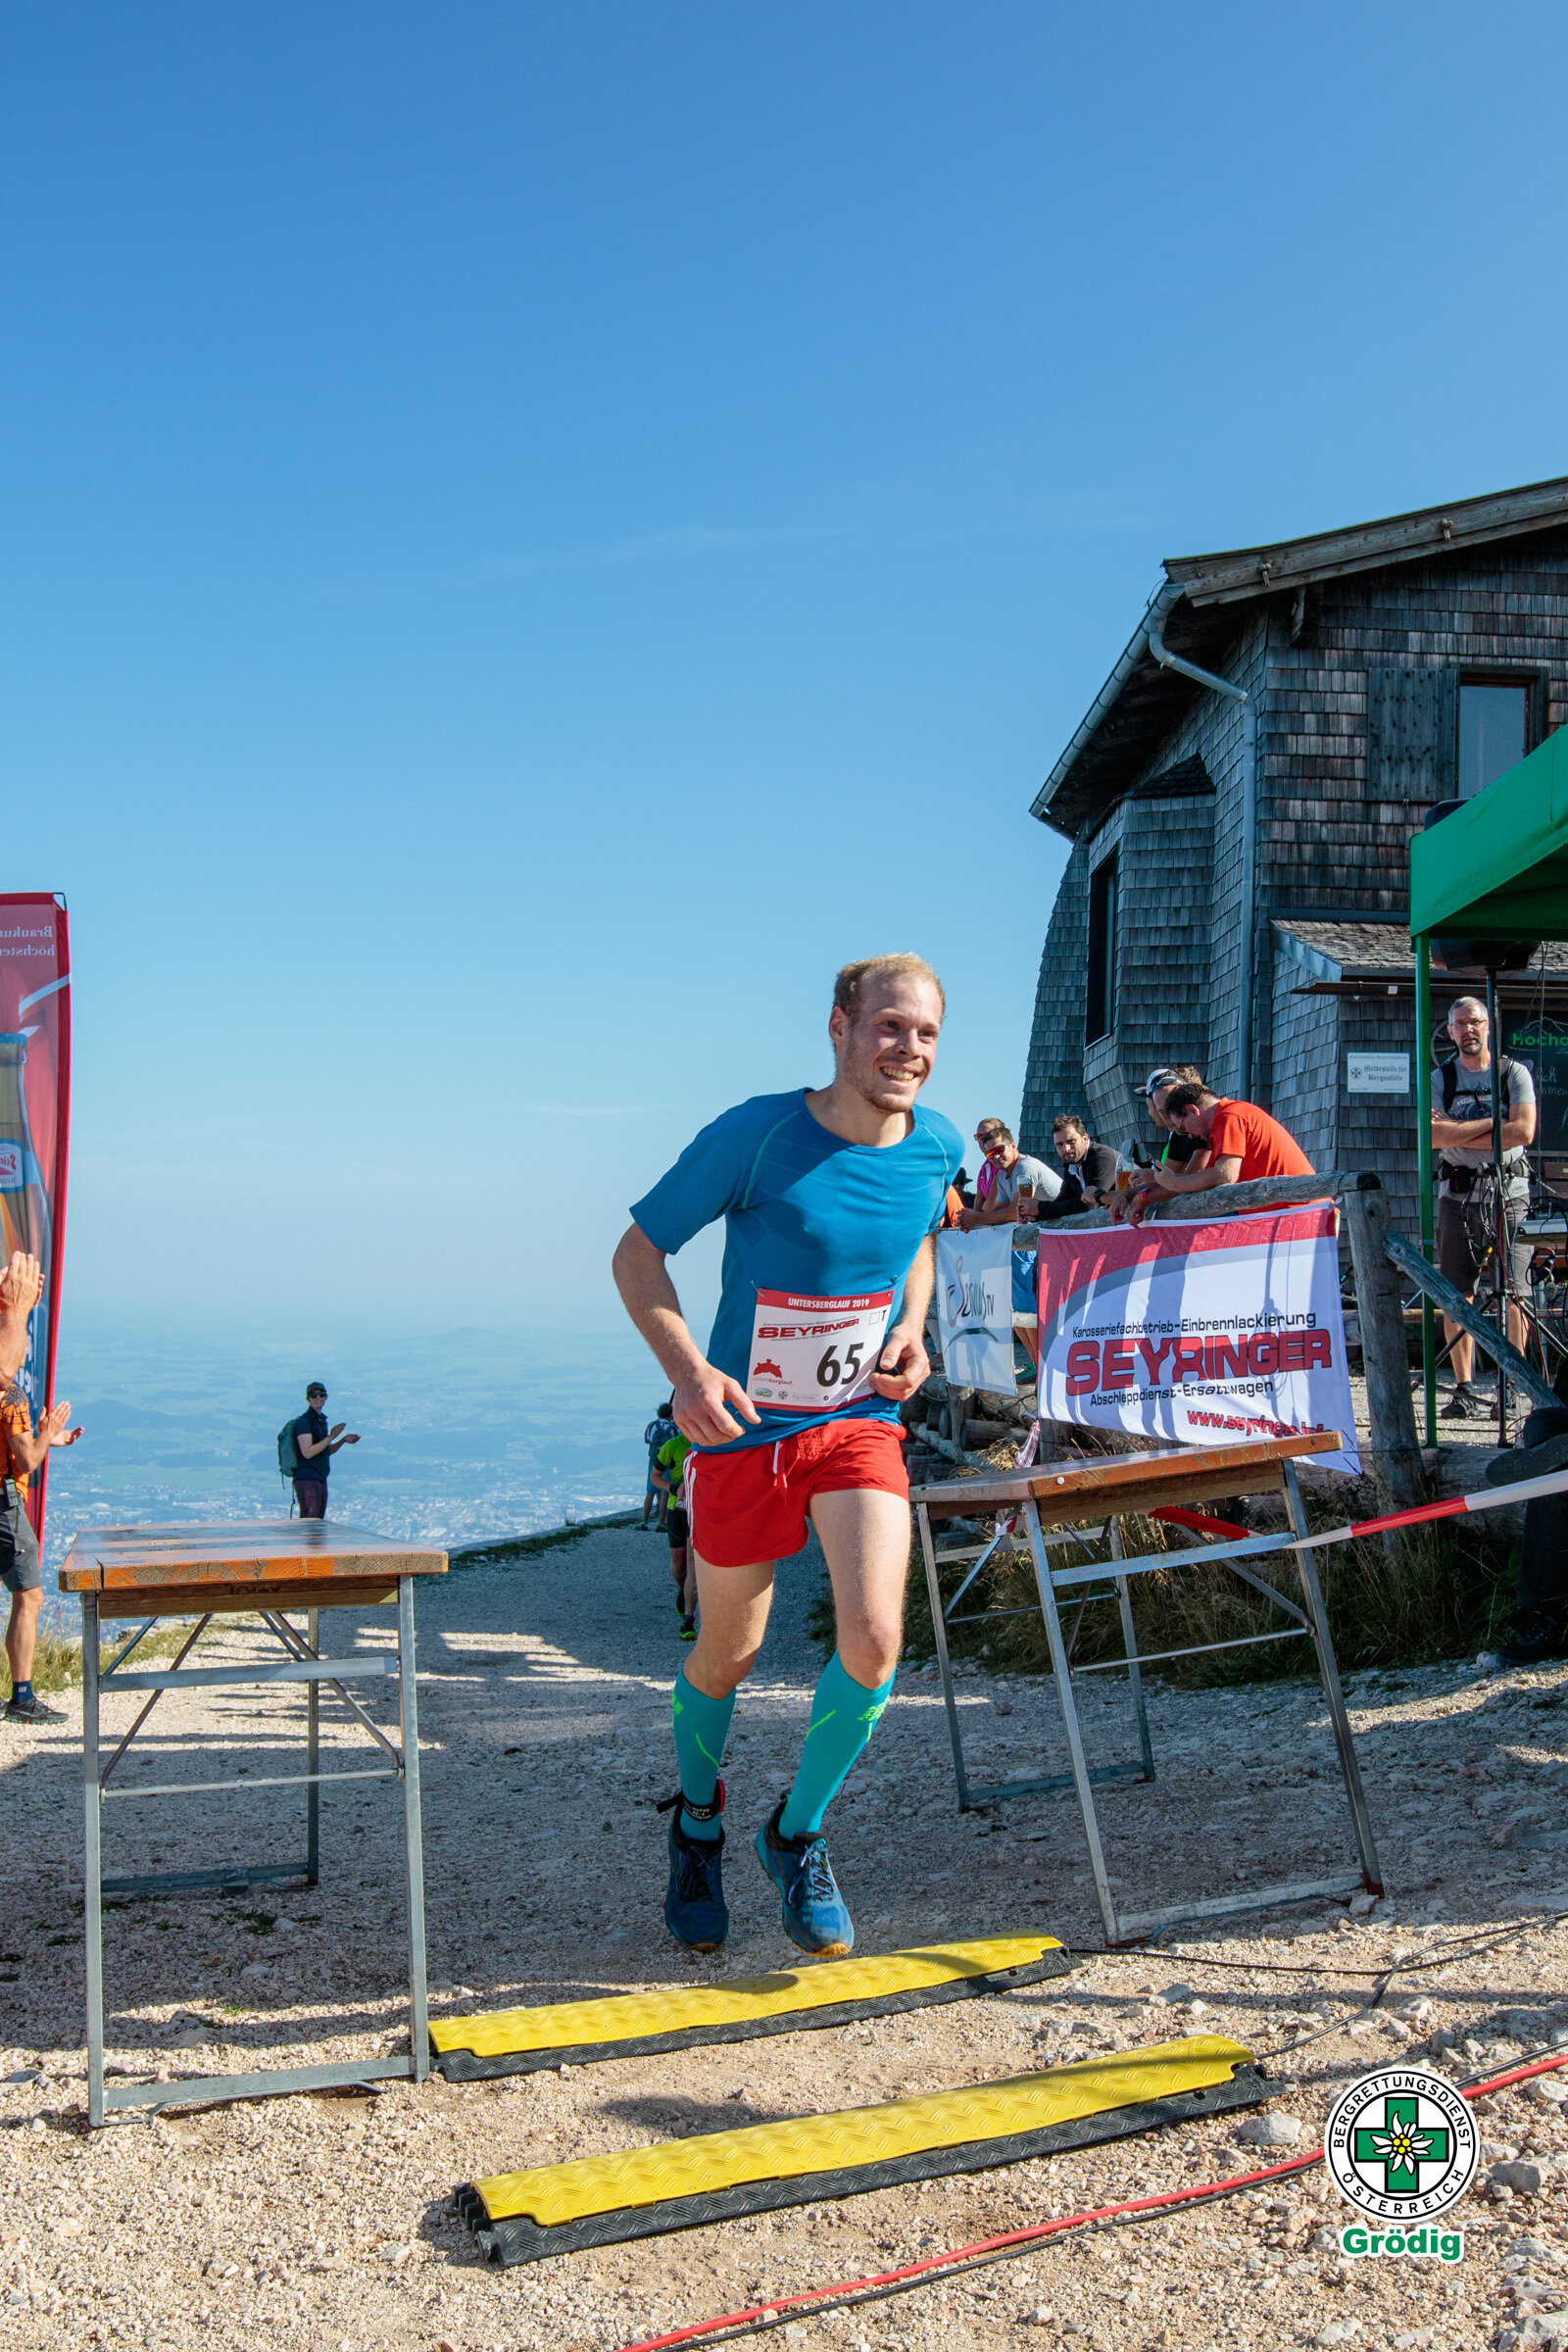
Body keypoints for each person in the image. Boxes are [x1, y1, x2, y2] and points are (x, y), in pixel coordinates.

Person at [612, 952, 961, 1958]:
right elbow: (637, 1255)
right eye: (890, 1026)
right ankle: (697, 1825)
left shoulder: (933, 1145)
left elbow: (920, 1243)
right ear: (840, 1027)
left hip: (857, 1425)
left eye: (927, 1033)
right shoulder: (757, 1135)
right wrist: (687, 1373)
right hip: (740, 1433)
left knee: (874, 1639)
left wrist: (913, 1327)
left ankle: (795, 1834)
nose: (909, 1049)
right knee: (730, 1654)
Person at [1430, 996, 1537, 1422]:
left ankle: (1513, 1386)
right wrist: (1495, 1125)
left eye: (1475, 1021)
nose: (1468, 1029)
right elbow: (1435, 1135)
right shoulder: (1442, 1078)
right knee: (1457, 1294)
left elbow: (1524, 1130)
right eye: (1460, 1024)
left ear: (1488, 1026)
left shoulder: (1514, 1074)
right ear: (1451, 1031)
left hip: (1509, 1193)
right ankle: (1465, 1387)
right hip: (1457, 1197)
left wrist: (1463, 1133)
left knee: (1515, 1293)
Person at [0, 1251, 79, 1726]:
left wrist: (54, 1436)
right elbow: (26, 1459)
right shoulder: (12, 1395)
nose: (26, 1348)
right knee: (29, 1595)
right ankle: (22, 1695)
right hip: (4, 1502)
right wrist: (48, 1435)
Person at [1115, 1081, 1312, 1224]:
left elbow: (1225, 1174)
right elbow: (1198, 1183)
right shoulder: (1221, 1125)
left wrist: (1174, 1181)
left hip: (1299, 1212)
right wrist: (1142, 1195)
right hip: (1282, 1213)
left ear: (1192, 1110)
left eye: (1183, 1128)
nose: (1189, 1136)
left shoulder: (1230, 1116)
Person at [958, 1120, 1059, 1228]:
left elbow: (1016, 1212)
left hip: (1064, 1226)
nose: (996, 1156)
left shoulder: (1025, 1168)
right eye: (990, 1154)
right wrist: (971, 1219)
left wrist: (976, 1219)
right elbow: (1000, 1209)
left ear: (1013, 1146)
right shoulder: (1002, 1174)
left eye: (999, 1149)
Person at [1030, 1114, 1120, 1220]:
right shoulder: (1072, 1165)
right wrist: (1034, 1214)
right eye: (1059, 1144)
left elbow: (1090, 1204)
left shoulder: (1102, 1158)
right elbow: (1063, 1200)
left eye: (1071, 1142)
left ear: (1085, 1139)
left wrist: (1041, 1208)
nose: (1066, 1149)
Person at [290, 1383, 360, 1519]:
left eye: (321, 1395)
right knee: (311, 1522)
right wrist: (331, 1436)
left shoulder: (320, 1421)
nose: (318, 1398)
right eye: (313, 1395)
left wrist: (343, 1440)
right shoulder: (304, 1422)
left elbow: (325, 1451)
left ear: (326, 1397)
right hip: (308, 1479)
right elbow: (308, 1452)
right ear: (308, 1399)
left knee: (316, 1521)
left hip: (319, 1478)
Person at [655, 1423, 697, 1637]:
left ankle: (688, 1620)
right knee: (679, 1566)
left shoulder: (712, 1444)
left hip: (699, 1511)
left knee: (693, 1563)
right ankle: (682, 1590)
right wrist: (673, 1488)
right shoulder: (672, 1446)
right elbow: (655, 1476)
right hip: (676, 1510)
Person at [641, 1400, 676, 1530]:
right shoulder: (673, 1428)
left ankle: (643, 1521)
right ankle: (662, 1522)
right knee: (665, 1492)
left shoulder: (652, 1425)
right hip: (667, 1462)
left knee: (650, 1492)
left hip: (653, 1461)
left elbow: (647, 1440)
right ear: (670, 1414)